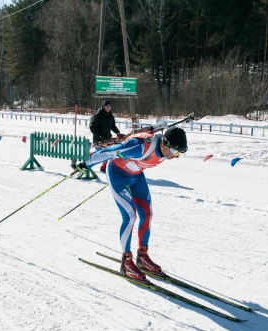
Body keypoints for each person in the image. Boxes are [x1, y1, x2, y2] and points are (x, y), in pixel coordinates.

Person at [75, 126, 188, 282]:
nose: (176, 157)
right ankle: (127, 261)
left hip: (136, 176)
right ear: (165, 144)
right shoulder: (139, 146)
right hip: (117, 174)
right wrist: (86, 164)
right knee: (130, 216)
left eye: (180, 153)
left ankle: (142, 256)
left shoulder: (164, 149)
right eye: (176, 152)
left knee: (147, 214)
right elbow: (108, 152)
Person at [88, 100, 124, 172]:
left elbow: (112, 126)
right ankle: (86, 157)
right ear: (103, 107)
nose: (108, 108)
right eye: (107, 107)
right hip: (99, 139)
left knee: (106, 153)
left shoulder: (110, 116)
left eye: (109, 107)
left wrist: (118, 132)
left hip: (107, 138)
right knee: (102, 154)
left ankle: (103, 168)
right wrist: (99, 135)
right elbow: (92, 127)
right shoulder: (98, 115)